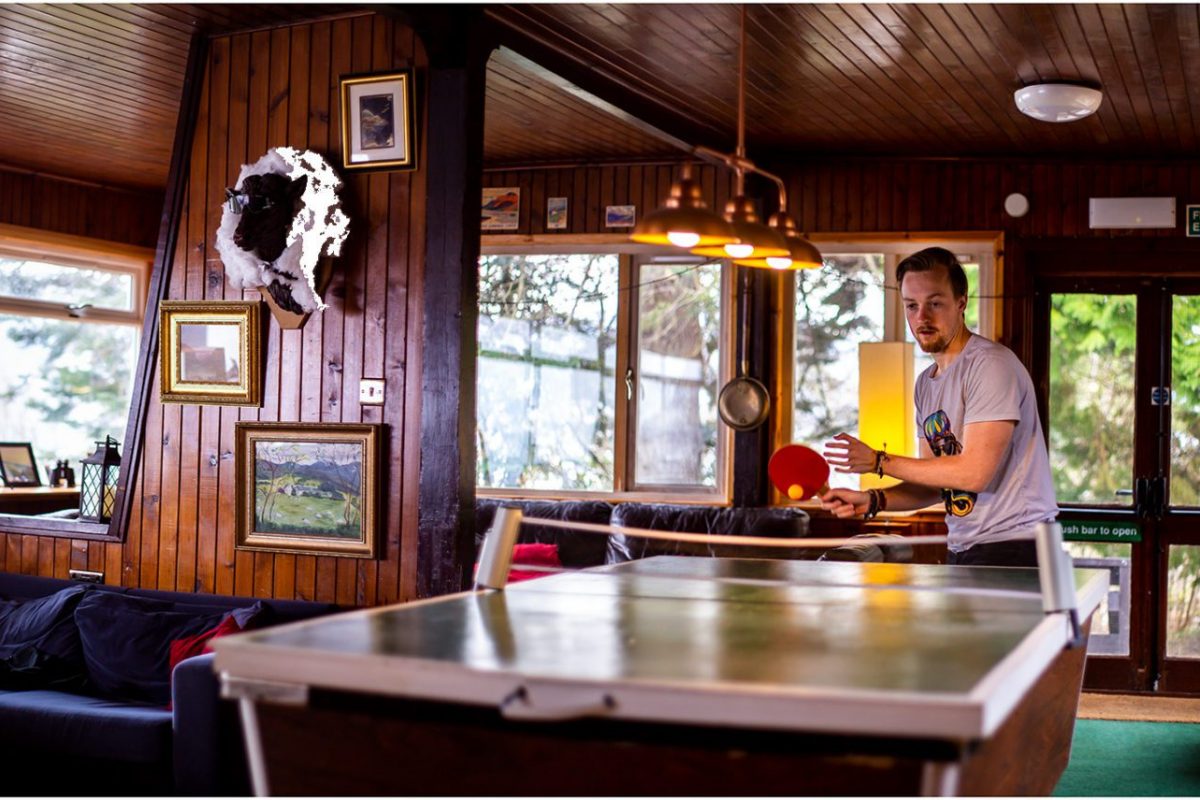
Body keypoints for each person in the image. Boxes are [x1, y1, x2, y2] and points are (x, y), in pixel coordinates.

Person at [819, 247, 1057, 567]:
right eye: (912, 306)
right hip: (964, 545)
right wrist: (873, 499)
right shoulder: (926, 384)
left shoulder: (990, 365)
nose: (922, 317)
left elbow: (974, 475)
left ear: (961, 302)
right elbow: (935, 482)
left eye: (934, 303)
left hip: (1015, 545)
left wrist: (878, 461)